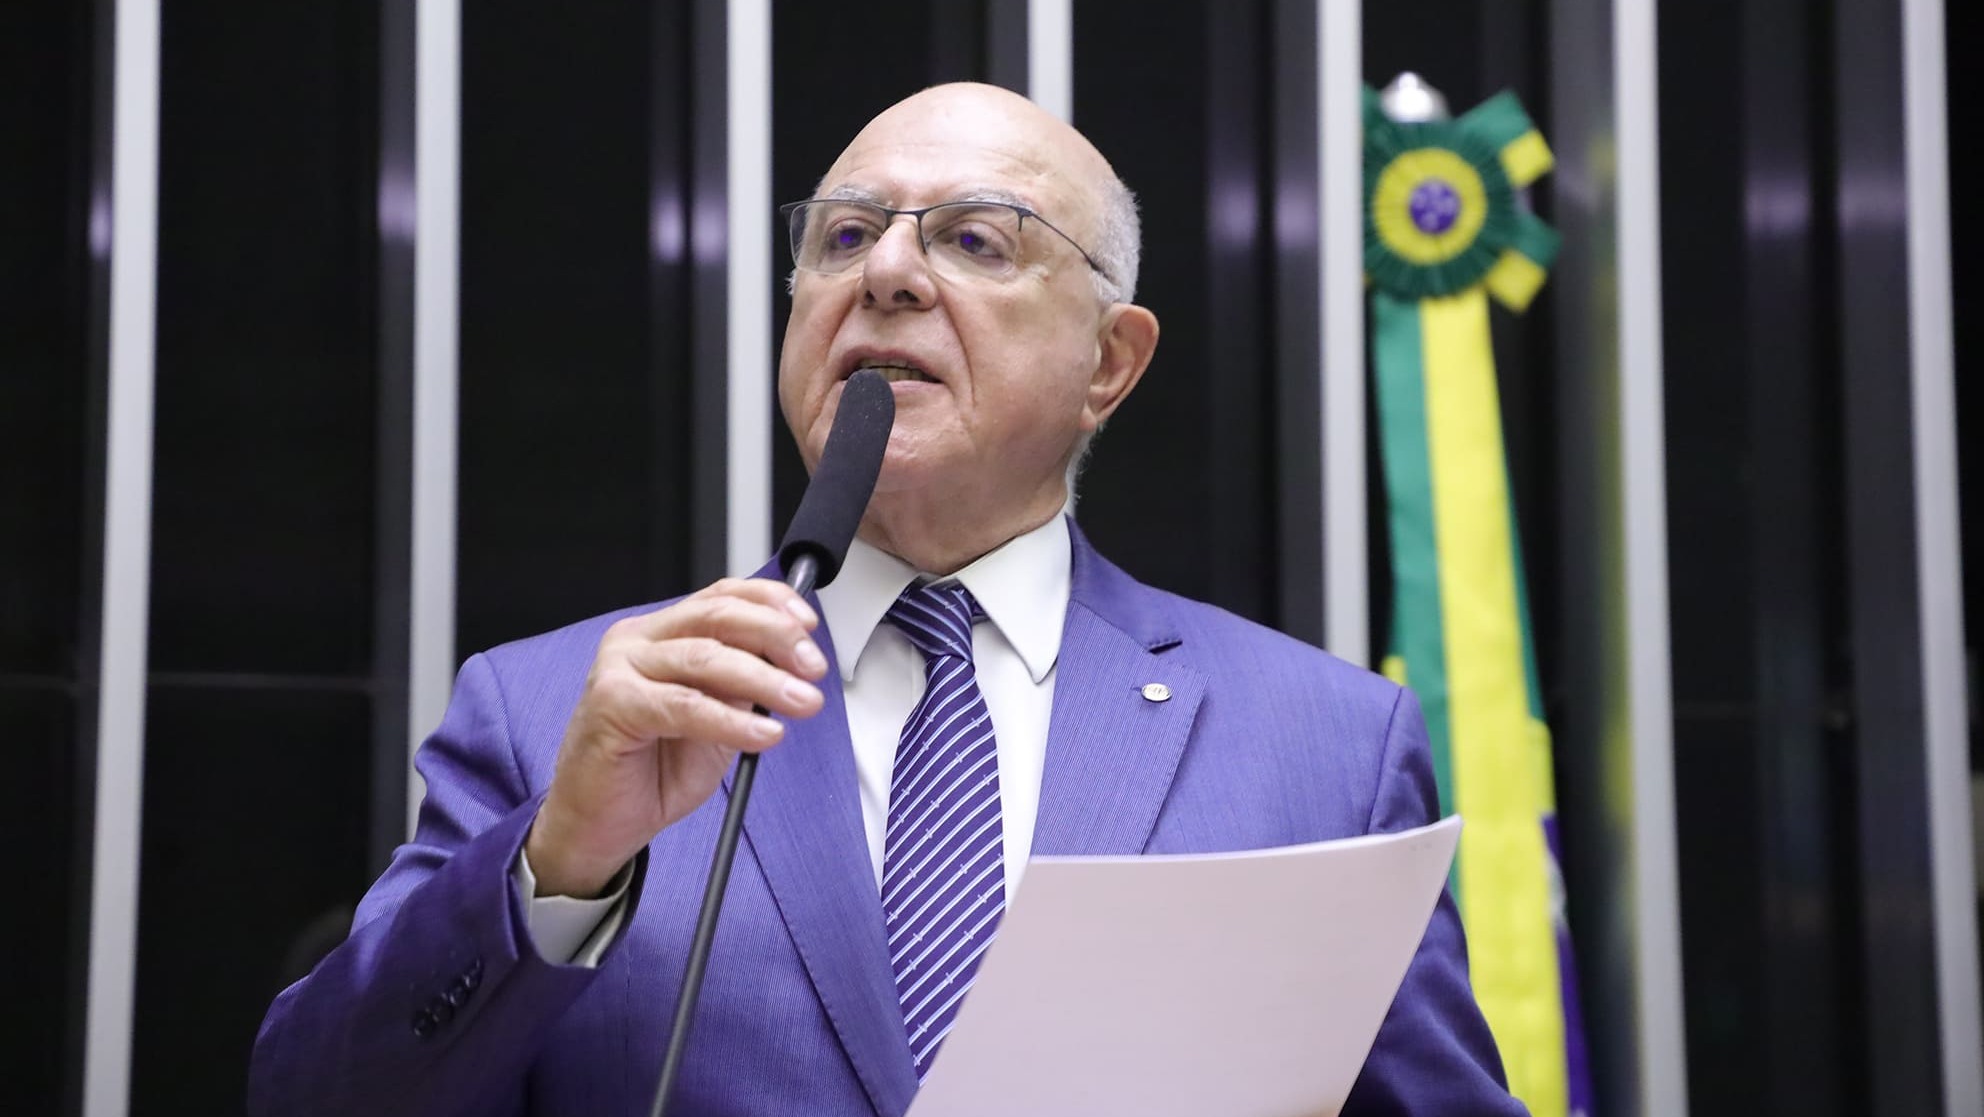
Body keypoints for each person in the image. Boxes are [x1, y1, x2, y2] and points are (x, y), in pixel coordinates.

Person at [249, 82, 1525, 1117]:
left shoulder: (1322, 746)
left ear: (1110, 362)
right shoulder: (555, 714)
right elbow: (316, 1096)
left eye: (975, 239)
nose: (890, 273)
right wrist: (559, 864)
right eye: (846, 236)